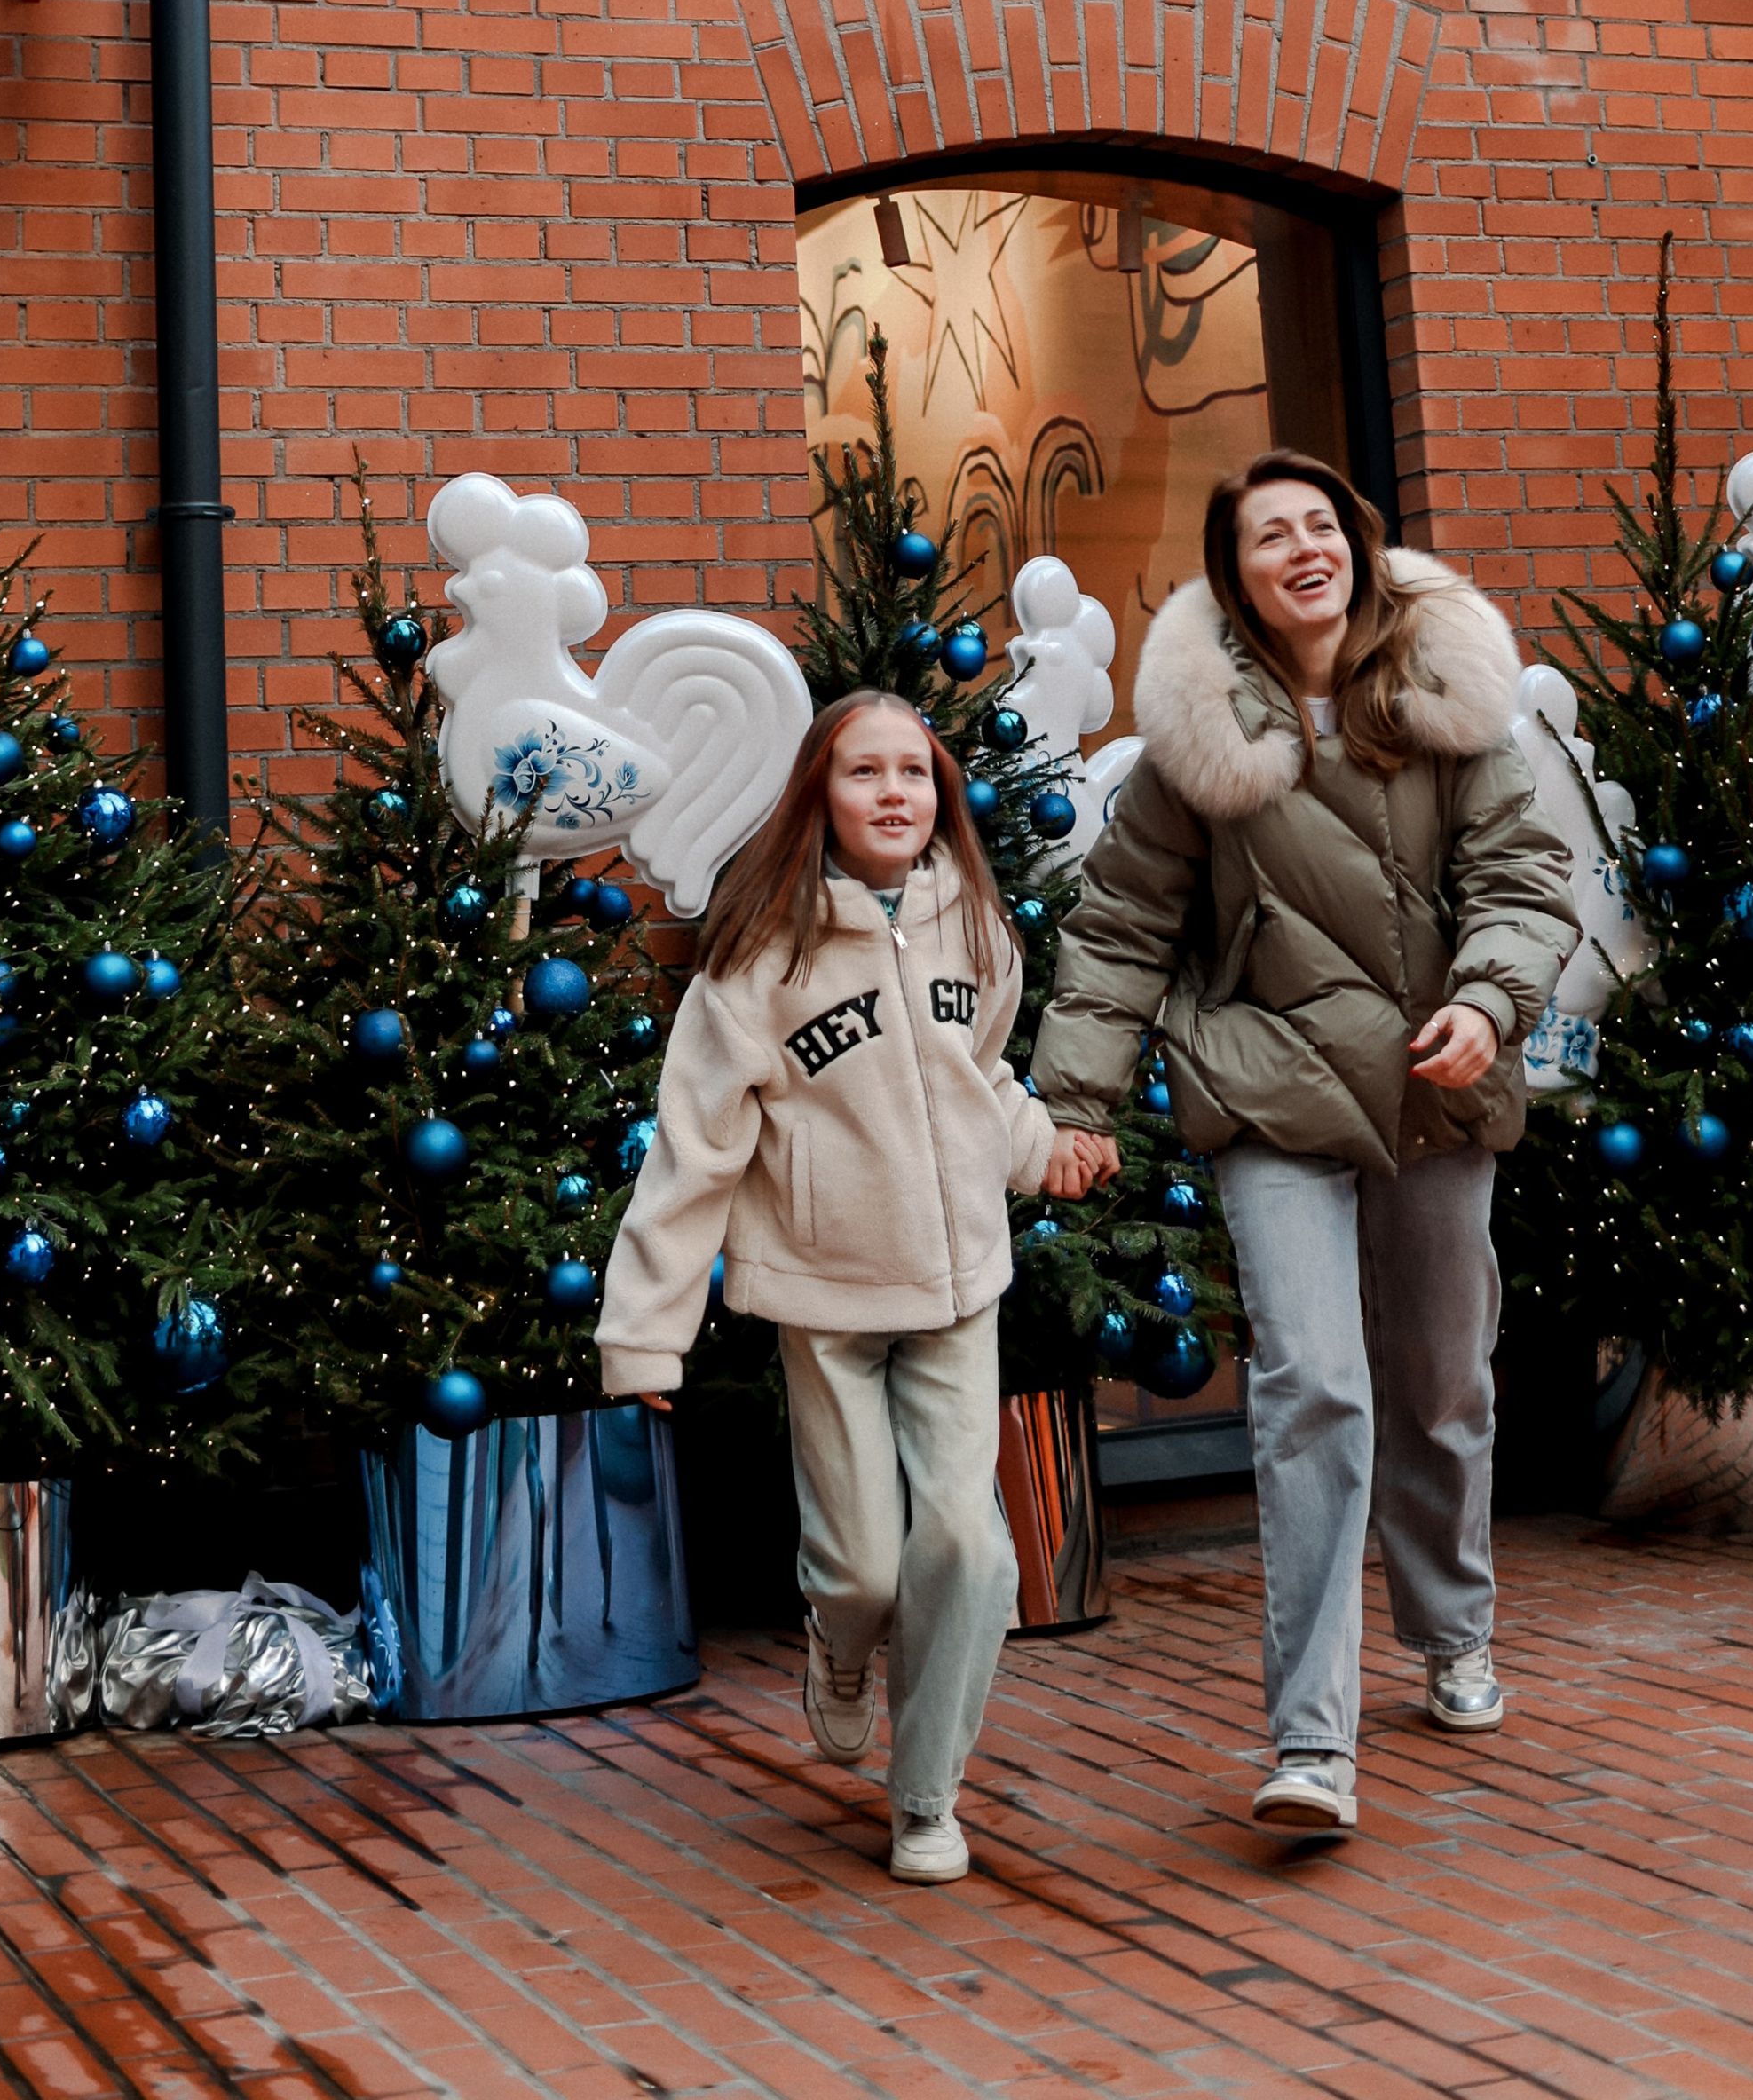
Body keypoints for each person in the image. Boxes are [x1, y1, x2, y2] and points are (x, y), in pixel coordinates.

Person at [1030, 450, 1577, 1839]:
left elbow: (1520, 878)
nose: (1299, 548)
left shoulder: (1446, 704)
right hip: (1270, 1091)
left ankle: (1453, 1628)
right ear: (1238, 575)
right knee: (1314, 1387)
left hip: (1434, 1089)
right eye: (1267, 535)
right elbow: (1120, 933)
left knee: (1443, 1382)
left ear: (1358, 545)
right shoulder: (1196, 746)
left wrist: (1487, 998)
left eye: (1317, 524)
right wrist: (1078, 1104)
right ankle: (1312, 1741)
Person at [596, 687, 1081, 1884]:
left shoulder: (978, 928)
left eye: (913, 774)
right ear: (820, 791)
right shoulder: (764, 956)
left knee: (969, 1547)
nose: (894, 795)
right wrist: (648, 1338)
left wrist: (1043, 1151)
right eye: (866, 773)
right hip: (827, 1296)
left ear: (940, 794)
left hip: (962, 1284)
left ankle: (927, 1798)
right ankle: (842, 1639)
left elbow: (982, 1085)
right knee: (864, 1566)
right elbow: (692, 1147)